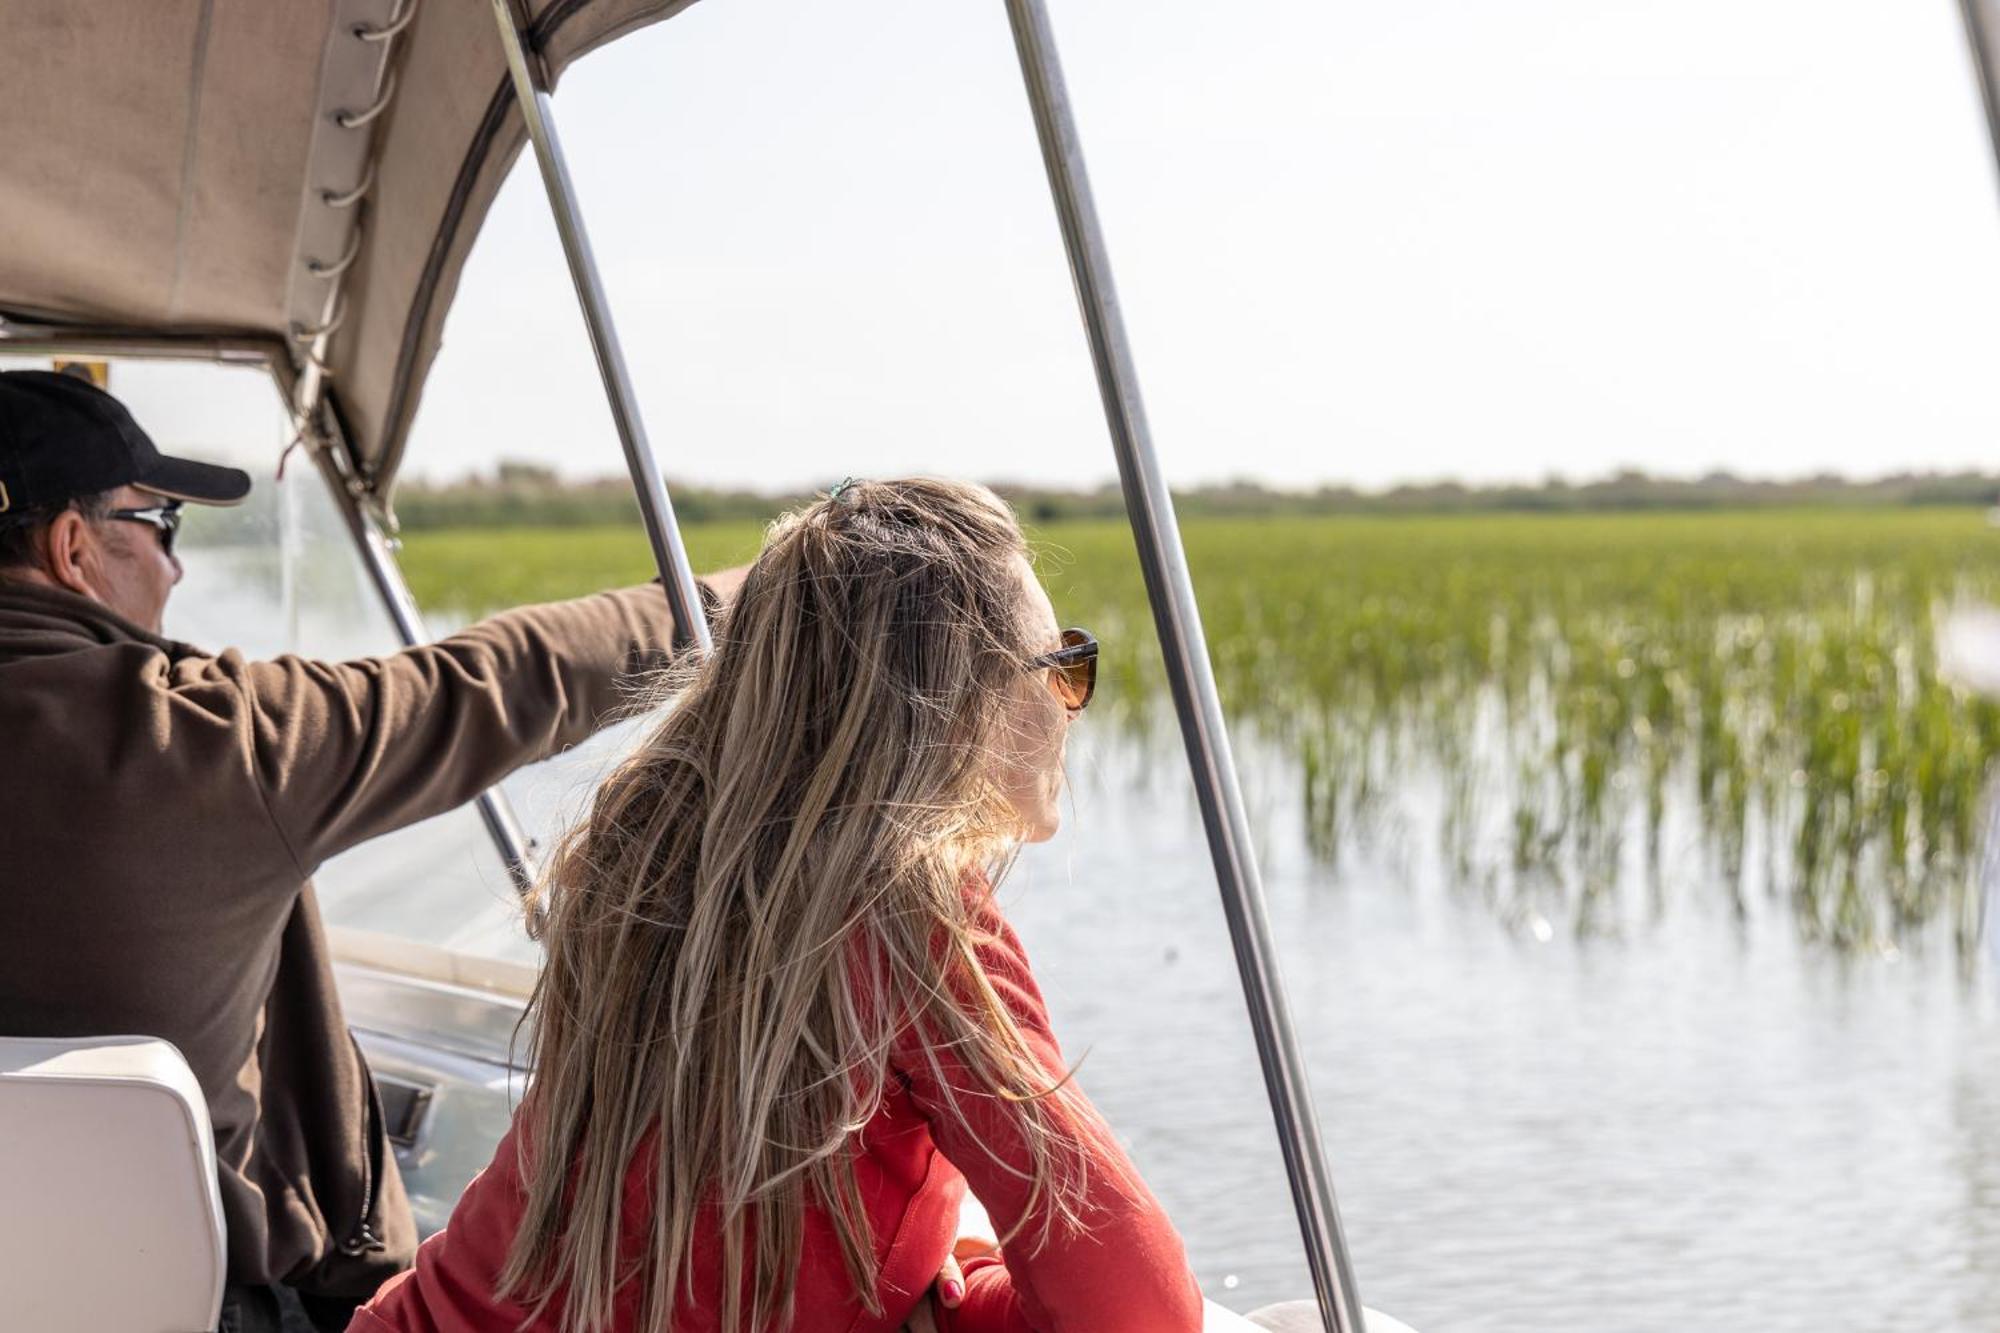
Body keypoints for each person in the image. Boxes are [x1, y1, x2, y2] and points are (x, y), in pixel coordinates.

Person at [349, 478, 1205, 1333]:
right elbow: (1144, 1314)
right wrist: (968, 1287)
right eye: (1063, 667)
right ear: (963, 703)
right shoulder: (911, 917)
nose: (1072, 709)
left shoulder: (649, 845)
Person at [0, 368, 739, 1332]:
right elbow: (501, 681)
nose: (176, 569)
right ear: (71, 547)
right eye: (161, 524)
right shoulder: (213, 742)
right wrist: (740, 596)